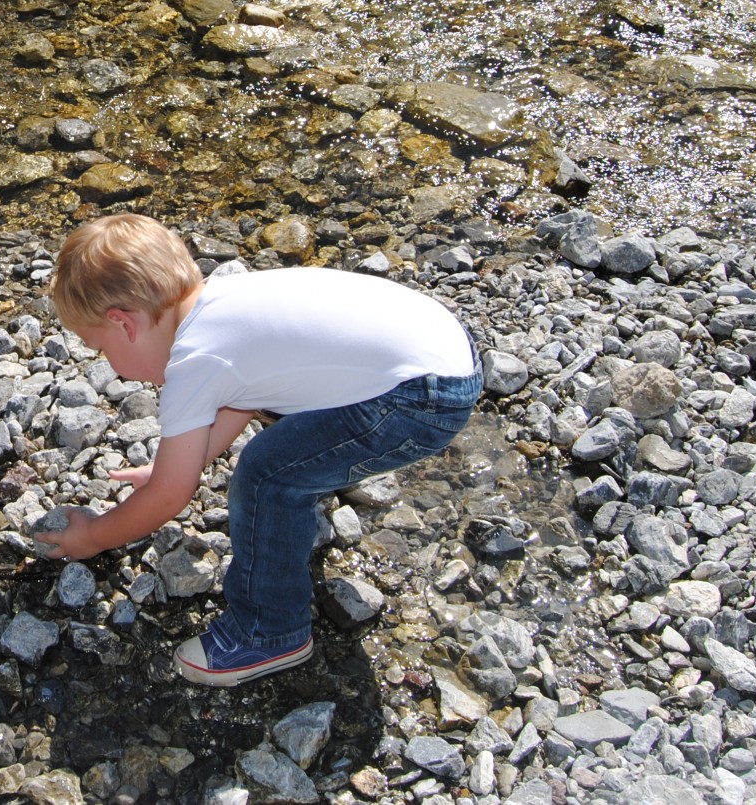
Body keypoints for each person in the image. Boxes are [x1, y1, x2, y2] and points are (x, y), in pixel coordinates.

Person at [34, 213, 481, 686]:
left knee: (268, 475)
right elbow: (239, 399)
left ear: (123, 324)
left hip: (416, 402)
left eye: (98, 346)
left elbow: (171, 497)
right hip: (443, 346)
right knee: (279, 404)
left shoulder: (196, 360)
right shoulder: (223, 297)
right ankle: (309, 495)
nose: (108, 362)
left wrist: (97, 536)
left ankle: (270, 632)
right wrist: (179, 463)